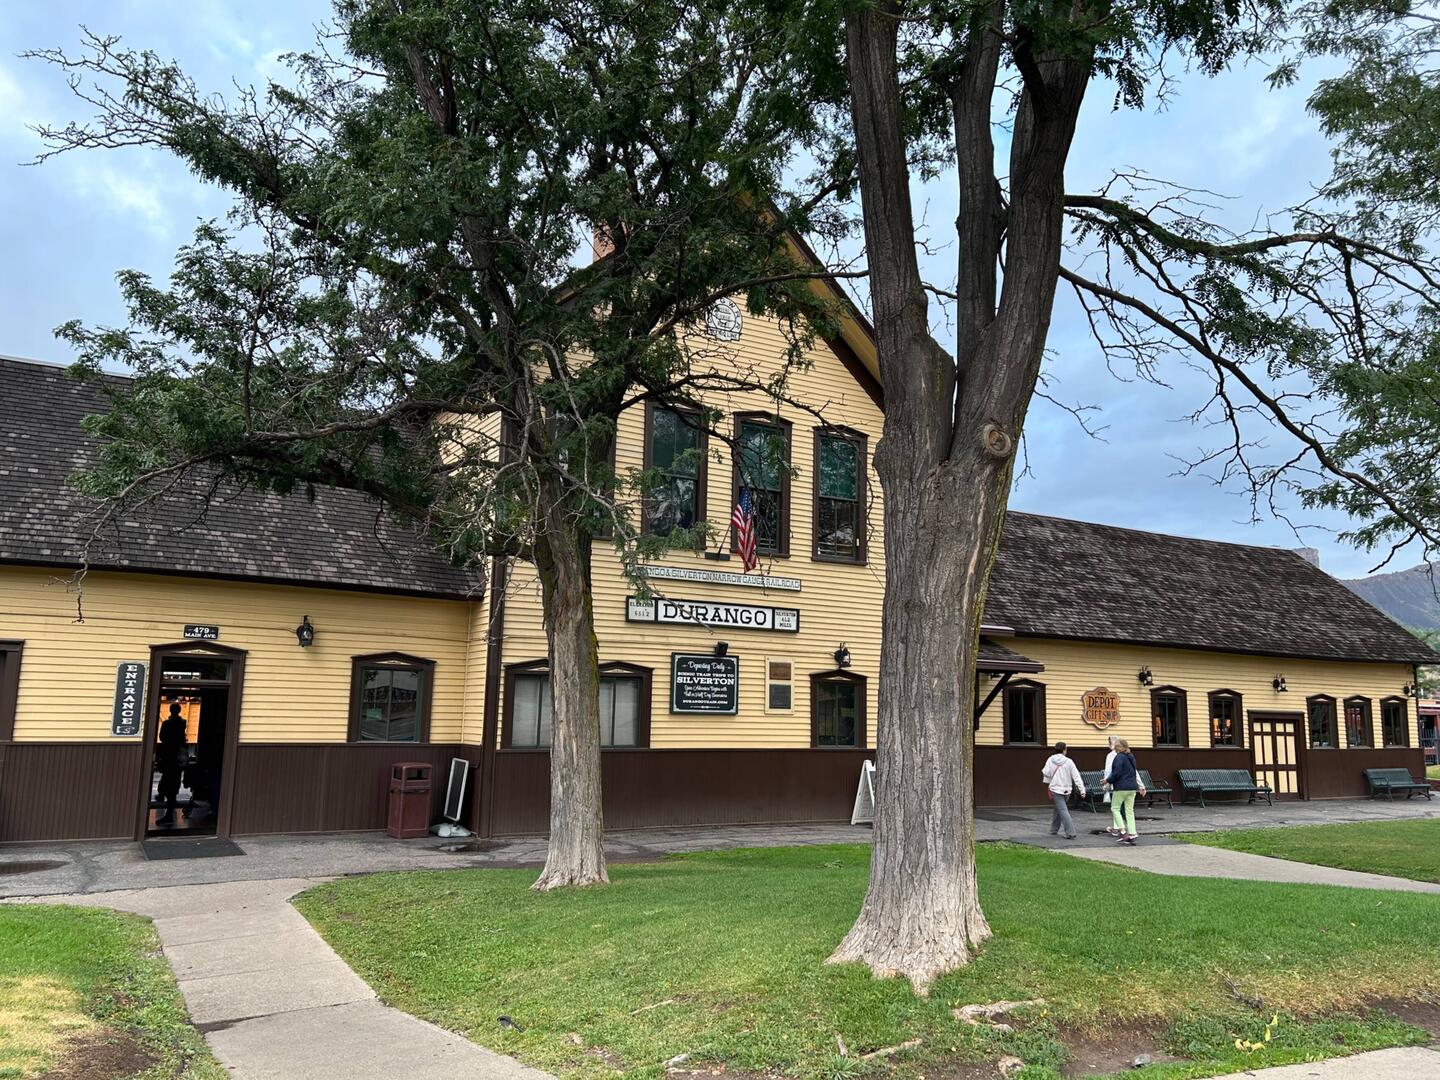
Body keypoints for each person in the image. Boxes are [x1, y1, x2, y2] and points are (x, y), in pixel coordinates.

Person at [1104, 738, 1146, 845]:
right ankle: (1132, 833)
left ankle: (1122, 830)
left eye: (1116, 746)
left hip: (1121, 787)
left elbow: (1116, 773)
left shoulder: (1119, 757)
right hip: (1132, 787)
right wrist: (1141, 786)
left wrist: (1107, 780)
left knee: (1115, 808)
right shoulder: (1131, 756)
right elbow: (1134, 772)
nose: (1115, 748)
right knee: (1129, 811)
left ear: (1119, 747)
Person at [1041, 741, 1085, 840]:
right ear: (1064, 750)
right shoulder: (1069, 761)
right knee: (1060, 808)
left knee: (1061, 809)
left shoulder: (1050, 760)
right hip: (1067, 789)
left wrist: (1048, 783)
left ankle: (1070, 832)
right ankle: (1054, 829)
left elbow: (1046, 772)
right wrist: (1082, 789)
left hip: (1055, 788)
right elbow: (1076, 776)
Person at [156, 703, 188, 826]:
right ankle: (171, 806)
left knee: (167, 780)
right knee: (174, 783)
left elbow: (162, 738)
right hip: (178, 757)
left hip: (169, 756)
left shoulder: (166, 724)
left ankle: (168, 812)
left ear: (170, 710)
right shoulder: (182, 723)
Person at [1102, 735, 1119, 808]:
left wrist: (1107, 779)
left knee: (1116, 806)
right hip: (1122, 781)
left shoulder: (1110, 755)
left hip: (1114, 778)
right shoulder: (1125, 754)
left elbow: (1108, 769)